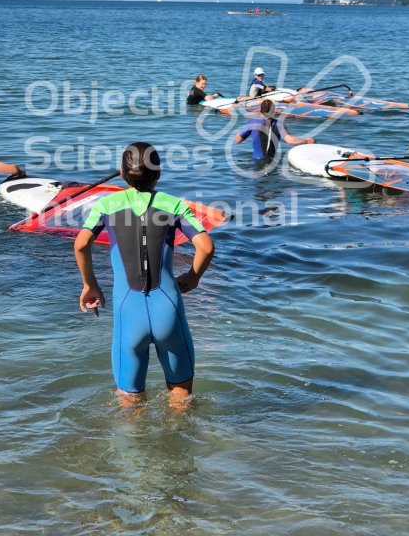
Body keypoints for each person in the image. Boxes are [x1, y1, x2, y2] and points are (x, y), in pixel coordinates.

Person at [73, 142, 215, 402]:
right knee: (181, 397)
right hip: (168, 310)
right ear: (158, 173)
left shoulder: (106, 205)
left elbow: (81, 244)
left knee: (129, 403)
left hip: (129, 312)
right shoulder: (174, 205)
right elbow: (205, 247)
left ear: (123, 174)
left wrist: (89, 284)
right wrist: (193, 277)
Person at [235, 99, 314, 159]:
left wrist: (239, 133)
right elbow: (290, 141)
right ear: (274, 111)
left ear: (260, 110)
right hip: (271, 162)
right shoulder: (279, 124)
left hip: (256, 162)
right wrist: (306, 140)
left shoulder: (252, 123)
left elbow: (237, 140)